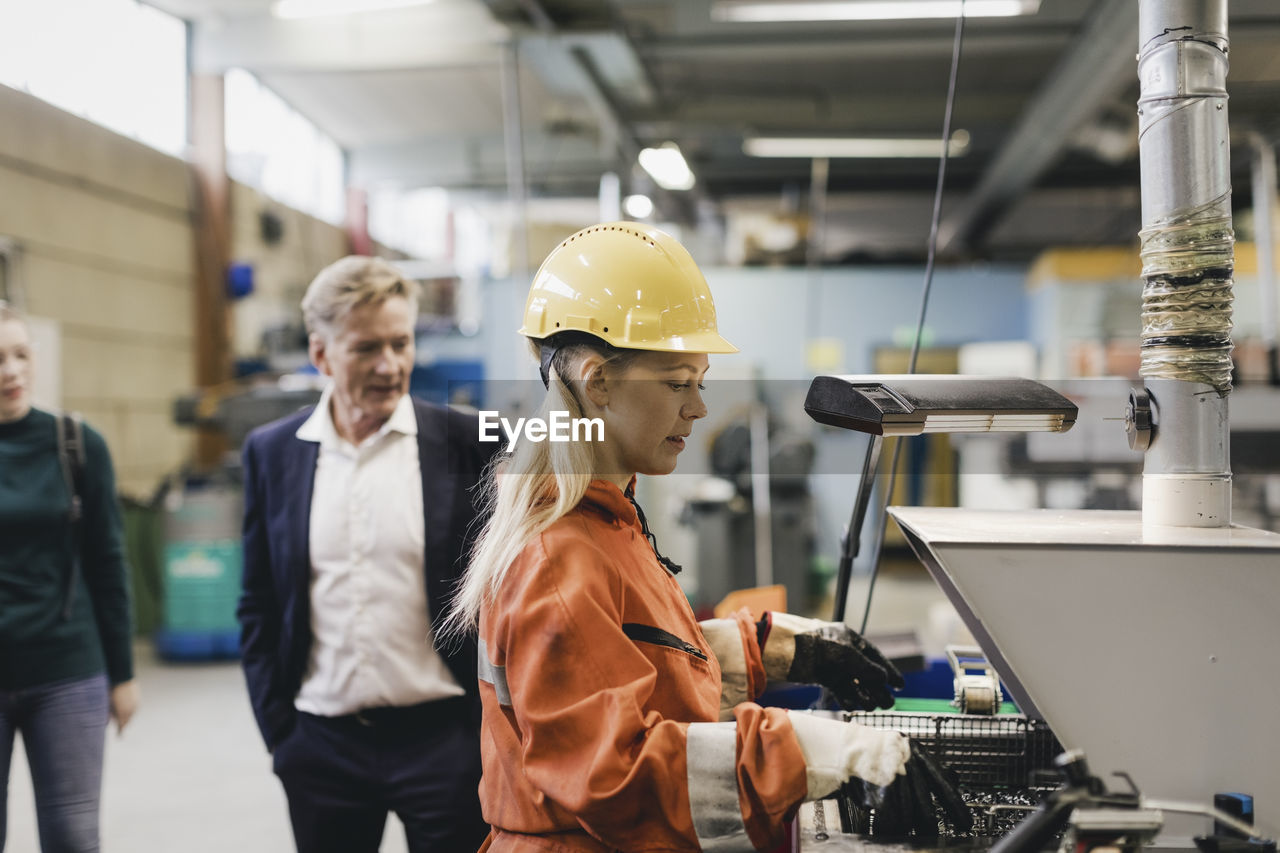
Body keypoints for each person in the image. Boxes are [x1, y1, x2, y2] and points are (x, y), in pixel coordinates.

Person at [446, 222, 971, 852]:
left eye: (701, 383)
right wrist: (816, 751)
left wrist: (778, 649)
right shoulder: (560, 557)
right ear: (598, 382)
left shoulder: (609, 520)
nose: (698, 409)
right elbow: (615, 776)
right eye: (676, 384)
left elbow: (633, 664)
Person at [237, 257, 498, 853]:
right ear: (322, 354)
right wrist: (280, 732)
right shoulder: (273, 454)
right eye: (366, 349)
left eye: (400, 343)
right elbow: (259, 599)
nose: (389, 365)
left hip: (446, 743)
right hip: (320, 746)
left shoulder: (468, 441)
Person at [0, 301, 139, 852]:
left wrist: (123, 676)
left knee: (74, 838)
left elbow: (108, 563)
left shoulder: (77, 445)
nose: (11, 370)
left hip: (67, 672)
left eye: (20, 354)